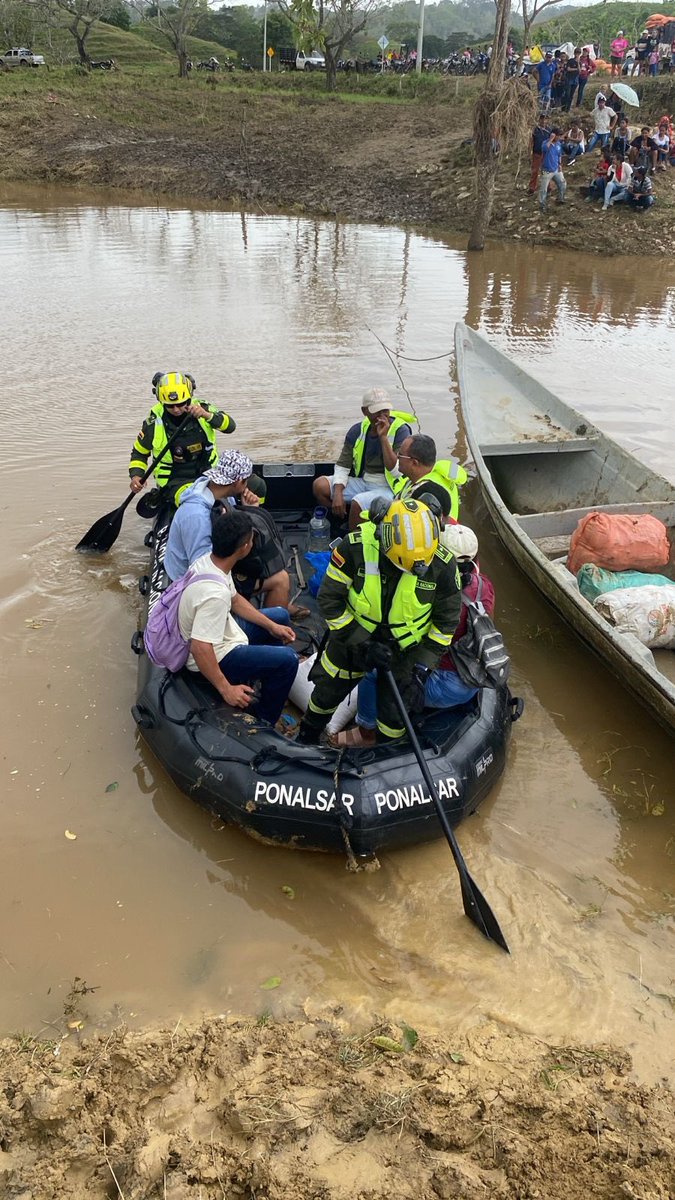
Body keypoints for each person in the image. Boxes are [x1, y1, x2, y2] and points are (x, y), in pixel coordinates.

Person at [295, 497, 461, 745]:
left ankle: (385, 751)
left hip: (406, 650)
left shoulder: (442, 565)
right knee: (327, 692)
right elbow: (330, 600)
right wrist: (362, 644)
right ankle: (307, 736)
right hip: (352, 639)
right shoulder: (355, 548)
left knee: (394, 715)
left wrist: (422, 669)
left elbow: (445, 624)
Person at [332, 525, 494, 744]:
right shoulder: (484, 585)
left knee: (373, 672)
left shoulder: (440, 597)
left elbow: (415, 641)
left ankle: (365, 732)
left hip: (447, 681)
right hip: (471, 676)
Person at [178, 510, 298, 727]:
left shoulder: (211, 563)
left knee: (280, 616)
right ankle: (265, 719)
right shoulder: (214, 595)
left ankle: (266, 682)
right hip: (214, 655)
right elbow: (200, 648)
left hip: (224, 633)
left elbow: (235, 600)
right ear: (244, 548)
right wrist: (226, 689)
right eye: (252, 539)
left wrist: (272, 626)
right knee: (288, 660)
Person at [164, 450, 307, 616]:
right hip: (194, 582)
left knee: (267, 568)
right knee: (281, 579)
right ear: (238, 481)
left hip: (215, 560)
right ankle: (271, 622)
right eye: (246, 481)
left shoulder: (216, 492)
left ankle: (278, 603)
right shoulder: (197, 517)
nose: (246, 486)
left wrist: (249, 510)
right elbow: (203, 570)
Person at [129, 372, 236, 506]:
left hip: (209, 473)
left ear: (189, 398)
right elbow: (139, 453)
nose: (176, 410)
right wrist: (136, 476)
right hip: (174, 481)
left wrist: (207, 415)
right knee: (196, 500)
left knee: (245, 489)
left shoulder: (204, 409)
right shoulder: (153, 423)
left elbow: (230, 427)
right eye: (170, 405)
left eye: (181, 404)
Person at [312, 388, 412, 520]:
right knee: (319, 486)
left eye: (385, 411)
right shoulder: (357, 430)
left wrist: (383, 438)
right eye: (377, 411)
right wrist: (338, 493)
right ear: (365, 411)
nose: (382, 416)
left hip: (390, 487)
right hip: (364, 481)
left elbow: (396, 471)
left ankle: (356, 530)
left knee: (358, 502)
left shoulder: (401, 431)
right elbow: (343, 466)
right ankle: (339, 520)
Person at [347, 433, 467, 530]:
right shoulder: (435, 474)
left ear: (414, 463)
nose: (397, 457)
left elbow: (402, 527)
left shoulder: (424, 494)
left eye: (400, 455)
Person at [539, 127, 566, 212]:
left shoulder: (558, 144)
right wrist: (550, 139)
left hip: (556, 169)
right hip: (547, 170)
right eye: (558, 135)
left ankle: (560, 198)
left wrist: (560, 164)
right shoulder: (546, 143)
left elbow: (559, 155)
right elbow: (544, 149)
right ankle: (542, 205)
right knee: (543, 189)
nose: (559, 137)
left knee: (562, 183)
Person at [528, 113, 551, 195]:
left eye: (545, 119)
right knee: (535, 171)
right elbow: (531, 142)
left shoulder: (549, 130)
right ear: (539, 120)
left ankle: (548, 187)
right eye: (542, 119)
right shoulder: (535, 130)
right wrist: (529, 152)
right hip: (537, 153)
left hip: (546, 154)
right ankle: (532, 188)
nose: (543, 121)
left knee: (546, 171)